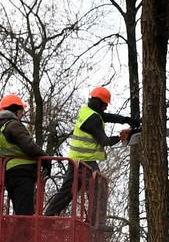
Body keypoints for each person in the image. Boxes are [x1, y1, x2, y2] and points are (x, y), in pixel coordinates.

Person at [44, 86, 138, 217]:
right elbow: (104, 141)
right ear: (99, 103)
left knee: (67, 192)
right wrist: (121, 137)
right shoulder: (93, 120)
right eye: (105, 104)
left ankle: (48, 216)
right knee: (100, 189)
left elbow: (106, 116)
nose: (105, 107)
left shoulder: (86, 111)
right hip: (85, 161)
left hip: (76, 160)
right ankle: (96, 222)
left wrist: (126, 120)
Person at [0, 94, 46, 216]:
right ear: (14, 110)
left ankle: (19, 234)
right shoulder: (13, 125)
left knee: (20, 213)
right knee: (24, 216)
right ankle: (23, 235)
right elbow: (29, 146)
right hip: (22, 174)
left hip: (9, 174)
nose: (22, 114)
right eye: (21, 111)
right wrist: (46, 159)